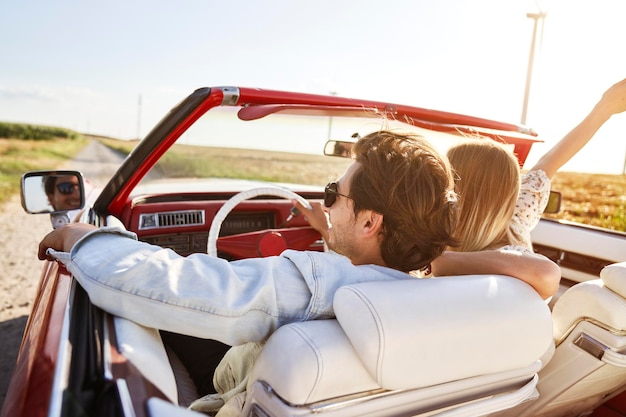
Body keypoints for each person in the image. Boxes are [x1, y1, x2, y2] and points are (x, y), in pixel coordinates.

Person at [38, 130, 560, 414]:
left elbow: (168, 284)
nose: (326, 205)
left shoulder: (311, 282)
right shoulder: (441, 297)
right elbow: (541, 274)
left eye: (334, 196)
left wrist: (89, 238)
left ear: (372, 221)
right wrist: (341, 232)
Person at [443, 76, 626, 258]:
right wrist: (603, 109)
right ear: (510, 191)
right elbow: (550, 160)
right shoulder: (517, 221)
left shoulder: (430, 245)